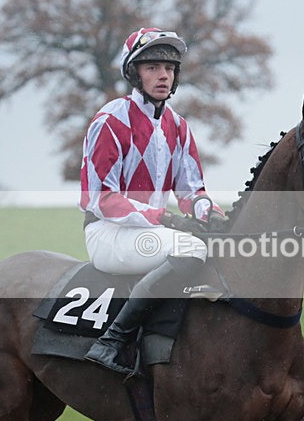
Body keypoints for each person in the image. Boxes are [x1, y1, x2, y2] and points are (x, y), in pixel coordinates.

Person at [79, 27, 225, 374]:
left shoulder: (179, 126)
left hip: (151, 231)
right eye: (152, 67)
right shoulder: (111, 120)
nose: (163, 75)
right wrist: (163, 217)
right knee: (191, 248)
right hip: (107, 232)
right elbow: (100, 198)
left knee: (223, 244)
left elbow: (191, 192)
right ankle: (111, 341)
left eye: (169, 68)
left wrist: (212, 215)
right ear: (134, 73)